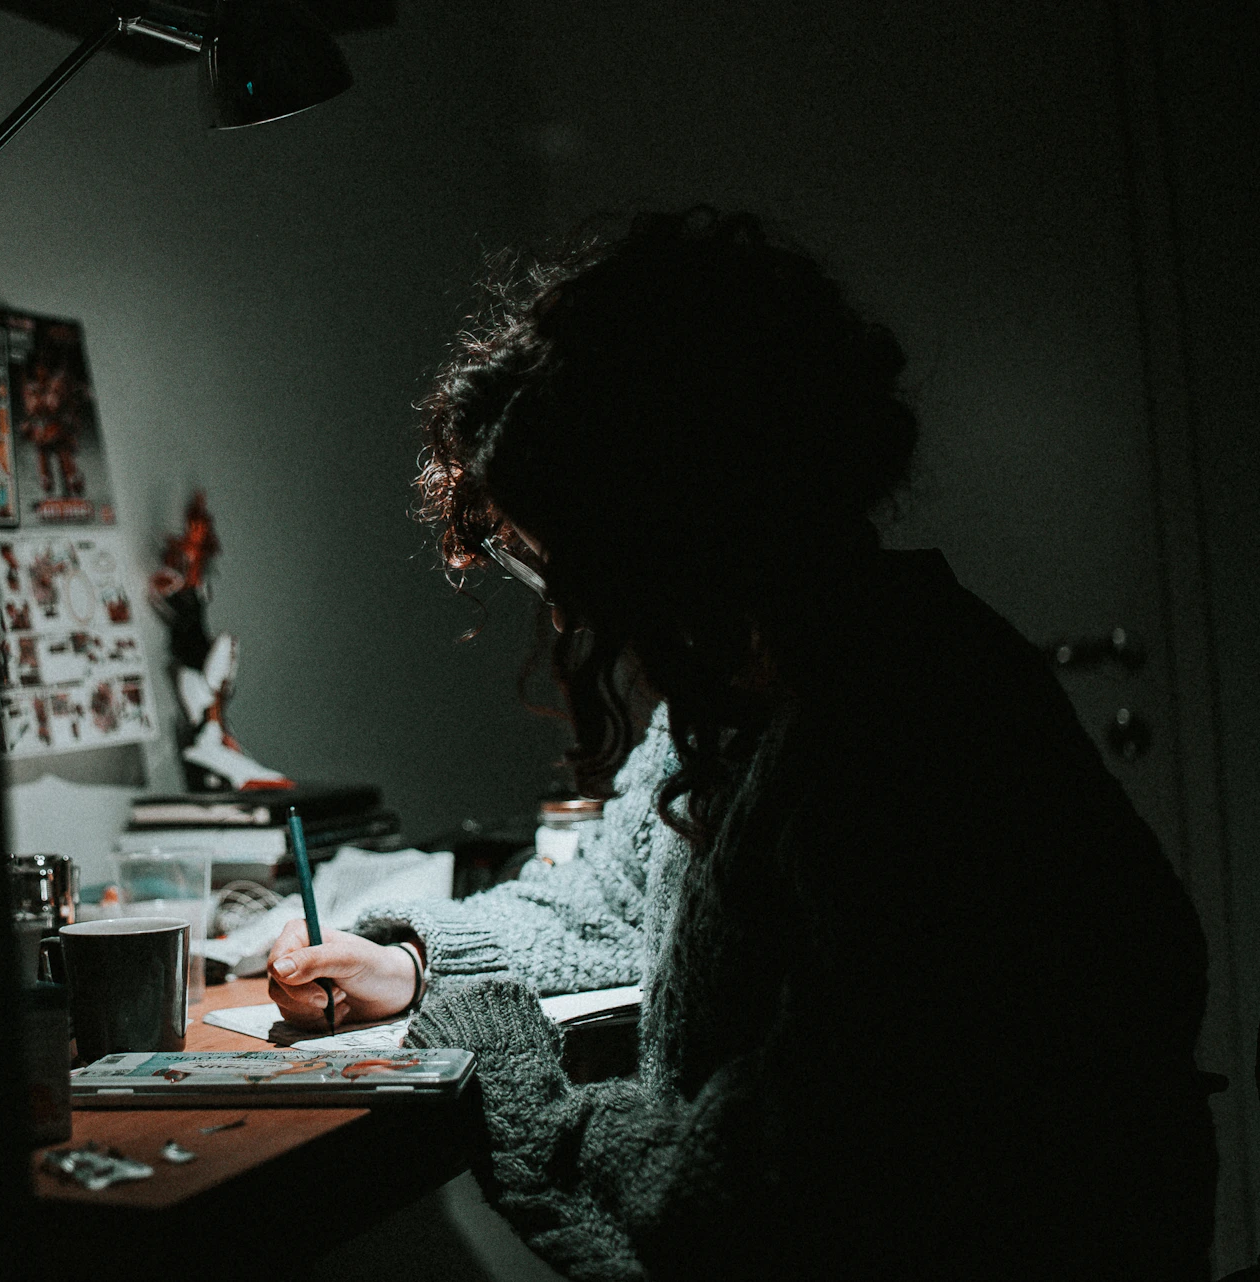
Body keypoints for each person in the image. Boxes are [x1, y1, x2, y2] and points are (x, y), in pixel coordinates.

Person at [266, 209, 1218, 1280]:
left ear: (675, 520)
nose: (570, 617)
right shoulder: (748, 685)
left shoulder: (899, 737)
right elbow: (615, 900)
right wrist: (411, 959)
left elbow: (736, 1209)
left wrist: (493, 1052)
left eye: (558, 563)